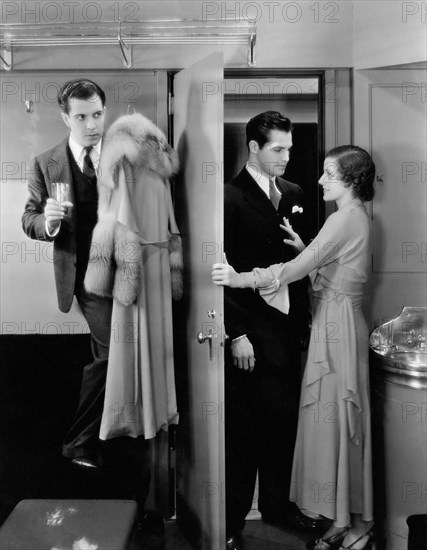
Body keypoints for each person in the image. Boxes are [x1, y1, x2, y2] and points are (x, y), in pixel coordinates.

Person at [213, 145, 376, 550]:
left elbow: (291, 273)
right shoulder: (354, 218)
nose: (319, 180)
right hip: (337, 323)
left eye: (328, 174)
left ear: (351, 181)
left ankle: (356, 525)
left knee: (341, 420)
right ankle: (345, 519)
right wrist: (306, 247)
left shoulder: (344, 220)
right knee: (339, 422)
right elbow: (328, 268)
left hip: (337, 326)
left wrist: (238, 280)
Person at [220, 111, 316, 550]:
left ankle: (278, 507)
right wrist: (235, 333)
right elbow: (220, 273)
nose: (286, 157)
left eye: (289, 148)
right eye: (277, 149)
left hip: (288, 329)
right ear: (253, 148)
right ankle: (232, 519)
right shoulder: (227, 197)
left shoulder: (296, 193)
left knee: (282, 425)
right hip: (251, 333)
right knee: (244, 430)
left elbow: (307, 260)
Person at [22, 78, 112, 469]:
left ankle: (105, 441)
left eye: (97, 114)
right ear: (65, 117)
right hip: (84, 276)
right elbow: (28, 220)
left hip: (127, 270)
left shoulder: (122, 155)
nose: (92, 124)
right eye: (81, 117)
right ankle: (79, 443)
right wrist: (50, 222)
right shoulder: (46, 162)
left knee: (113, 352)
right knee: (111, 350)